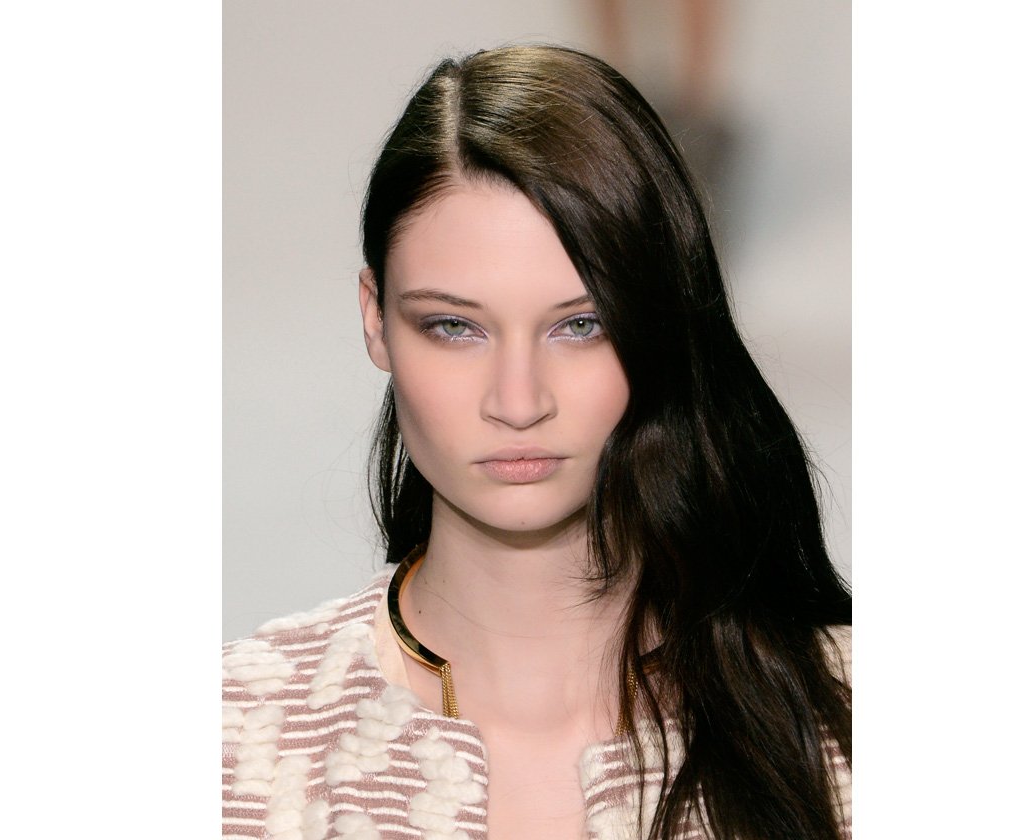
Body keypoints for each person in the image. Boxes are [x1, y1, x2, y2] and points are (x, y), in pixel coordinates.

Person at [222, 44, 850, 840]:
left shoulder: (843, 729)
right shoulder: (233, 744)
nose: (518, 403)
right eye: (454, 327)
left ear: (659, 325)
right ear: (376, 319)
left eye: (580, 325)